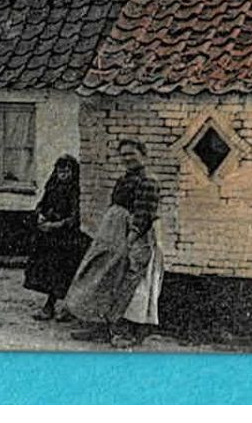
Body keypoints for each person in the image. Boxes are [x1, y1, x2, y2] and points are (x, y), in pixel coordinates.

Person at [64, 139, 165, 348]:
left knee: (126, 282)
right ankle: (99, 325)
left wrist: (129, 240)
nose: (127, 158)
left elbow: (143, 215)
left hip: (133, 239)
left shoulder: (148, 181)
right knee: (102, 277)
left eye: (131, 154)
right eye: (124, 155)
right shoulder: (124, 180)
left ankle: (121, 331)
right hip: (112, 235)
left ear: (143, 155)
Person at [24, 154, 89, 320]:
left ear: (73, 172)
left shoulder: (75, 190)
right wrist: (40, 215)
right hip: (49, 238)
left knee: (65, 273)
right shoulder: (52, 185)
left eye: (67, 170)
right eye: (61, 170)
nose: (63, 173)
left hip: (67, 239)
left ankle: (68, 309)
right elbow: (42, 203)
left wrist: (55, 225)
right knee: (49, 273)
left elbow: (75, 218)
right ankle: (49, 307)